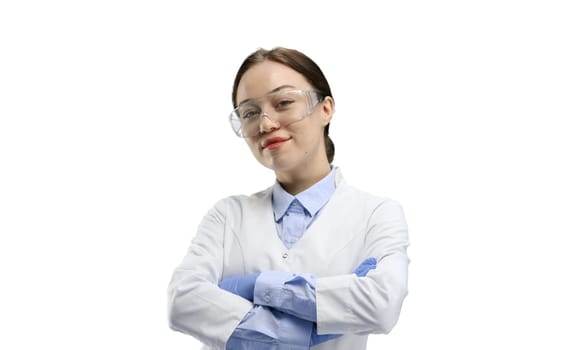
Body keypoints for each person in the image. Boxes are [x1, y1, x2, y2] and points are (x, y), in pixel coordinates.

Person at [167, 46, 410, 350]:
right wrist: (320, 312)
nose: (265, 124)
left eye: (283, 102)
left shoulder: (377, 213)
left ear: (325, 109)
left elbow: (381, 303)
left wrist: (259, 288)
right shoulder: (228, 215)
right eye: (249, 113)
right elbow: (182, 300)